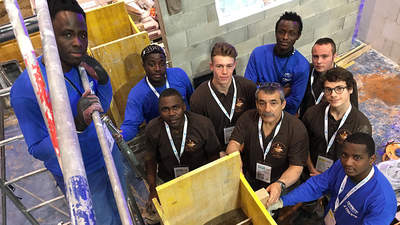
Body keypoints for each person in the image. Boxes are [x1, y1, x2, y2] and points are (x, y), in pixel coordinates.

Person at [10, 0, 125, 224]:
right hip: (81, 173)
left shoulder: (84, 66)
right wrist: (76, 126)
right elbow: (37, 148)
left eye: (83, 35)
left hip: (108, 153)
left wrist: (103, 81)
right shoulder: (27, 88)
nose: (78, 43)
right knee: (103, 221)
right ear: (49, 36)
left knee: (122, 211)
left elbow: (101, 106)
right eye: (67, 34)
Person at [271, 133, 397, 225]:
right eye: (344, 155)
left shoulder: (383, 202)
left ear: (372, 159)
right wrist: (282, 201)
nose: (348, 162)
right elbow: (316, 186)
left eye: (357, 157)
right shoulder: (340, 167)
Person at [226, 83, 309, 206]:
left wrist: (280, 184)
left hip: (279, 183)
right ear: (256, 104)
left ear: (283, 104)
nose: (267, 109)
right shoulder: (247, 117)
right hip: (250, 179)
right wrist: (235, 161)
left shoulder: (296, 128)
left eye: (273, 103)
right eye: (262, 103)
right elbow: (233, 144)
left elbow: (296, 167)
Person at [144, 88, 220, 202]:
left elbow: (214, 156)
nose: (171, 114)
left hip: (200, 179)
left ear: (184, 107)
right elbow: (150, 160)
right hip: (169, 181)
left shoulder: (203, 124)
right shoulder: (152, 128)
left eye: (175, 108)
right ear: (159, 111)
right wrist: (153, 190)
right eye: (165, 109)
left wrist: (212, 183)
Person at [303, 67, 372, 177]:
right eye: (328, 89)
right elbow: (303, 144)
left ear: (350, 89)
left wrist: (330, 177)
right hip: (310, 173)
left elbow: (358, 162)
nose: (333, 94)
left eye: (339, 88)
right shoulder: (312, 113)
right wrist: (311, 169)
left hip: (341, 178)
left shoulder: (361, 126)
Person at [190, 42, 257, 150]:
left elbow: (255, 121)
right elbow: (200, 134)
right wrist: (217, 154)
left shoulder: (248, 87)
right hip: (218, 152)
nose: (224, 72)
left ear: (234, 65)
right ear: (211, 66)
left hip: (246, 146)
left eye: (229, 66)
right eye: (219, 66)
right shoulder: (198, 98)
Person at [121, 44, 194, 141]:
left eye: (162, 63)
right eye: (151, 64)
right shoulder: (137, 94)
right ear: (144, 66)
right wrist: (119, 136)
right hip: (163, 139)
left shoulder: (179, 75)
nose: (157, 69)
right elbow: (130, 125)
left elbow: (193, 100)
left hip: (188, 129)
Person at [244, 11, 309, 115]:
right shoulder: (258, 53)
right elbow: (248, 90)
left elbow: (294, 103)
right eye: (281, 32)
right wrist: (282, 91)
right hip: (256, 112)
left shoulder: (302, 65)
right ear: (275, 32)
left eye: (291, 33)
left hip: (284, 116)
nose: (285, 37)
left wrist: (261, 88)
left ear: (298, 36)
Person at [299, 38, 358, 118]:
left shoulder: (345, 79)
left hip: (327, 124)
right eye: (315, 56)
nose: (319, 61)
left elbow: (353, 111)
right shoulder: (305, 71)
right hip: (305, 119)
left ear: (334, 56)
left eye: (324, 56)